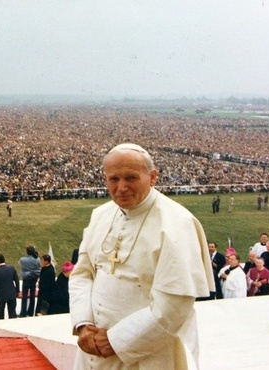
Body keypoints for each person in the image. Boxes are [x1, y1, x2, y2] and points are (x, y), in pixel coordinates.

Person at [69, 143, 213, 369]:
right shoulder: (101, 215)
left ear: (152, 177)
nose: (121, 187)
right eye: (113, 179)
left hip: (148, 352)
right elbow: (82, 274)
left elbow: (175, 303)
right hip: (92, 348)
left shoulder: (177, 224)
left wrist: (117, 340)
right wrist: (83, 324)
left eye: (131, 178)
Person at [0, 253, 20, 320]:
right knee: (12, 313)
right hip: (12, 294)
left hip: (1, 295)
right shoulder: (11, 269)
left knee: (0, 314)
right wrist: (17, 291)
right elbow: (17, 281)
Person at [18, 245, 40, 317]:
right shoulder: (37, 259)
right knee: (32, 296)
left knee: (24, 296)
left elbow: (20, 264)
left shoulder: (22, 260)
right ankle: (30, 312)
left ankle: (23, 312)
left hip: (26, 279)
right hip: (34, 279)